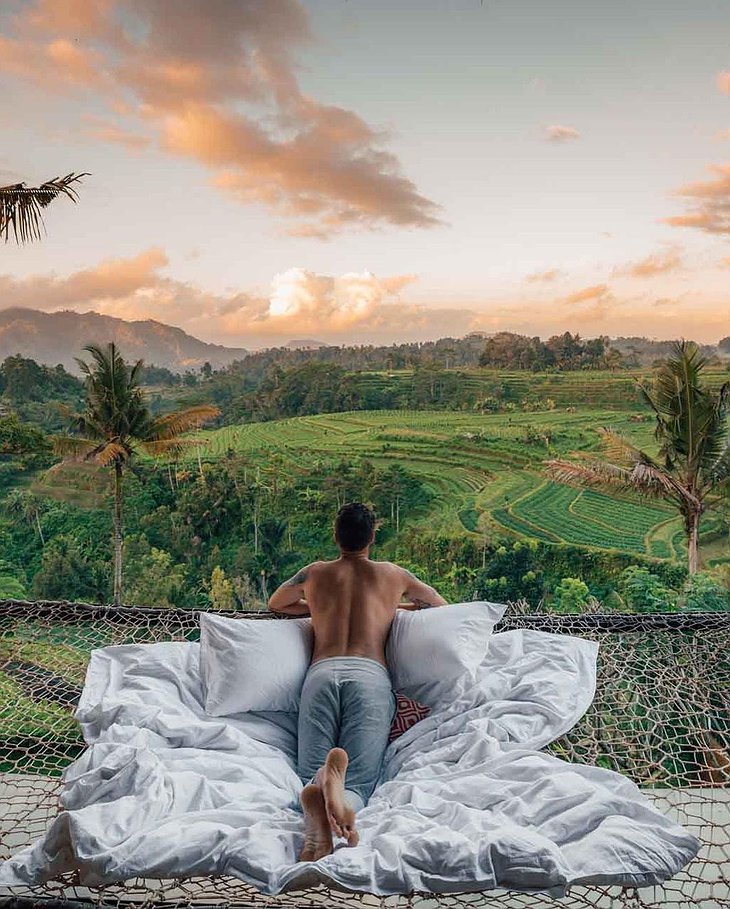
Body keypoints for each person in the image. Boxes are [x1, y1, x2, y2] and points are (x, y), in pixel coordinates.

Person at [268, 502, 447, 861]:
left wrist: (316, 608)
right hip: (369, 677)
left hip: (321, 675)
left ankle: (318, 798)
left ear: (336, 536)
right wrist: (394, 608)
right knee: (362, 780)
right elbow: (440, 607)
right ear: (373, 537)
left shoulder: (314, 574)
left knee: (309, 770)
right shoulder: (395, 575)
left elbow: (278, 603)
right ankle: (341, 797)